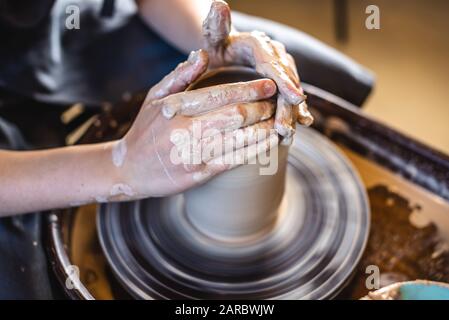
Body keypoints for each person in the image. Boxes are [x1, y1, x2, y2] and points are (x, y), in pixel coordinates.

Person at [0, 0, 373, 298]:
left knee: (313, 75)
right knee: (29, 278)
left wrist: (217, 48)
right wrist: (118, 167)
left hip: (68, 23)